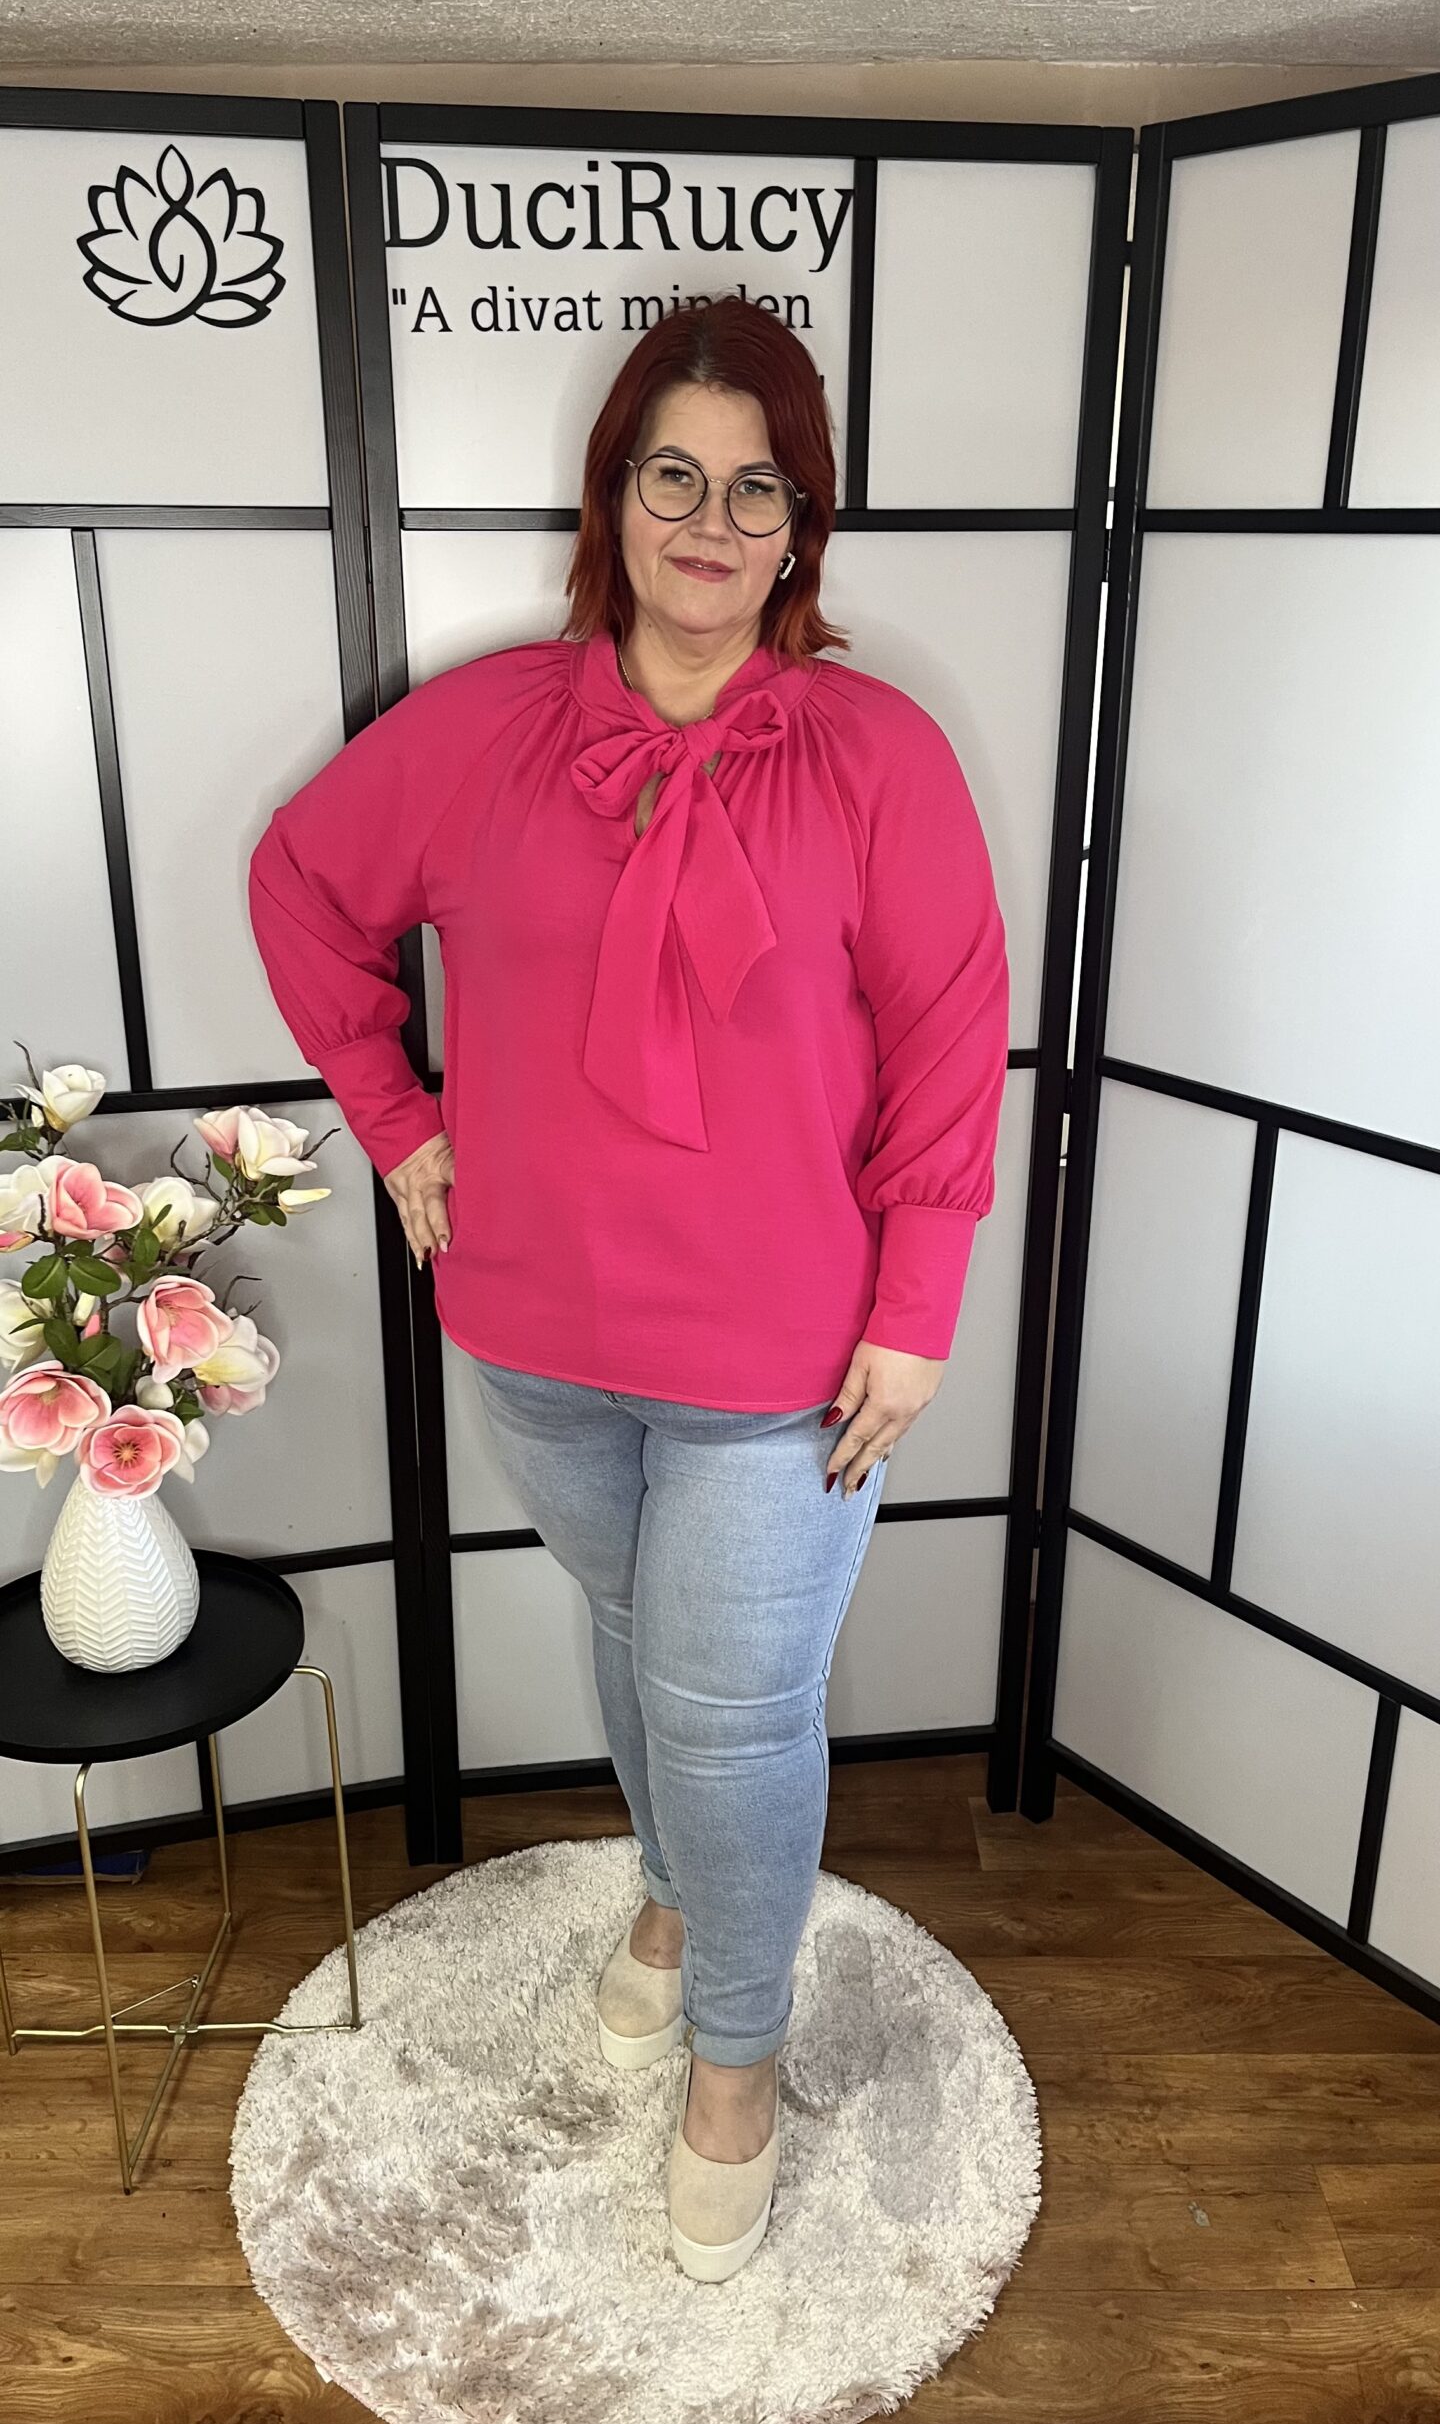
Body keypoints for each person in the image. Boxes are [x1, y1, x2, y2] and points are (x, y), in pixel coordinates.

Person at [247, 291, 1009, 2284]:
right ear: (615, 495)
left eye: (758, 488)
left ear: (802, 522)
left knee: (733, 1708)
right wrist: (397, 1119)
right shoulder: (493, 729)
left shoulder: (877, 754)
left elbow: (952, 1033)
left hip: (789, 1353)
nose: (710, 522)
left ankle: (734, 2063)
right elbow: (303, 887)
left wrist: (919, 1298)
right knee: (631, 1634)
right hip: (540, 1328)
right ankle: (670, 1898)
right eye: (675, 475)